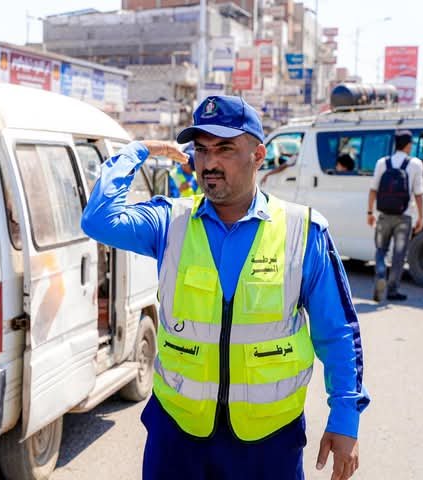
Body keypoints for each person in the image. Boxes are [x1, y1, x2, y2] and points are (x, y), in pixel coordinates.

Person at [81, 95, 369, 480]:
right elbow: (98, 219)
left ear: (258, 155)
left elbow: (338, 333)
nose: (209, 162)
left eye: (225, 149)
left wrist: (345, 418)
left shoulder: (303, 231)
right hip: (178, 435)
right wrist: (138, 151)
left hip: (269, 441)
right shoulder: (169, 222)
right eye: (201, 149)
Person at [367, 130, 423, 302]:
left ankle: (380, 274)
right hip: (404, 217)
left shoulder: (382, 163)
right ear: (408, 145)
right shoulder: (415, 164)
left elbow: (373, 189)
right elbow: (418, 193)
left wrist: (370, 212)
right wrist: (421, 217)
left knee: (380, 250)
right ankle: (392, 290)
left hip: (384, 215)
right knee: (399, 255)